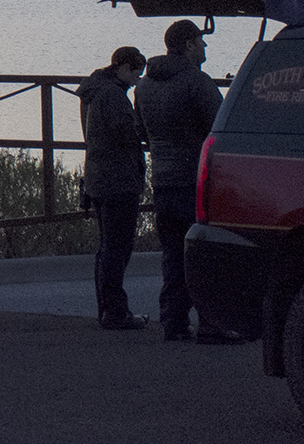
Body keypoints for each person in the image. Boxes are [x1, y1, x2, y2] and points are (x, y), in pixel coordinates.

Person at [135, 19, 240, 343]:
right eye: (200, 41)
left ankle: (174, 321)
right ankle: (212, 323)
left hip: (163, 179)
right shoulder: (197, 82)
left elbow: (141, 132)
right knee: (206, 253)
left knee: (173, 254)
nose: (205, 46)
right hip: (194, 179)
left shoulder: (143, 86)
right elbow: (220, 127)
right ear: (188, 45)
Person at [79, 45, 150, 329]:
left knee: (107, 247)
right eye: (135, 72)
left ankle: (107, 309)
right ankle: (116, 311)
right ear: (122, 68)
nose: (137, 78)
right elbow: (129, 134)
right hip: (118, 180)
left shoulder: (96, 92)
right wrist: (142, 110)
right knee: (118, 248)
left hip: (99, 178)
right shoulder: (113, 96)